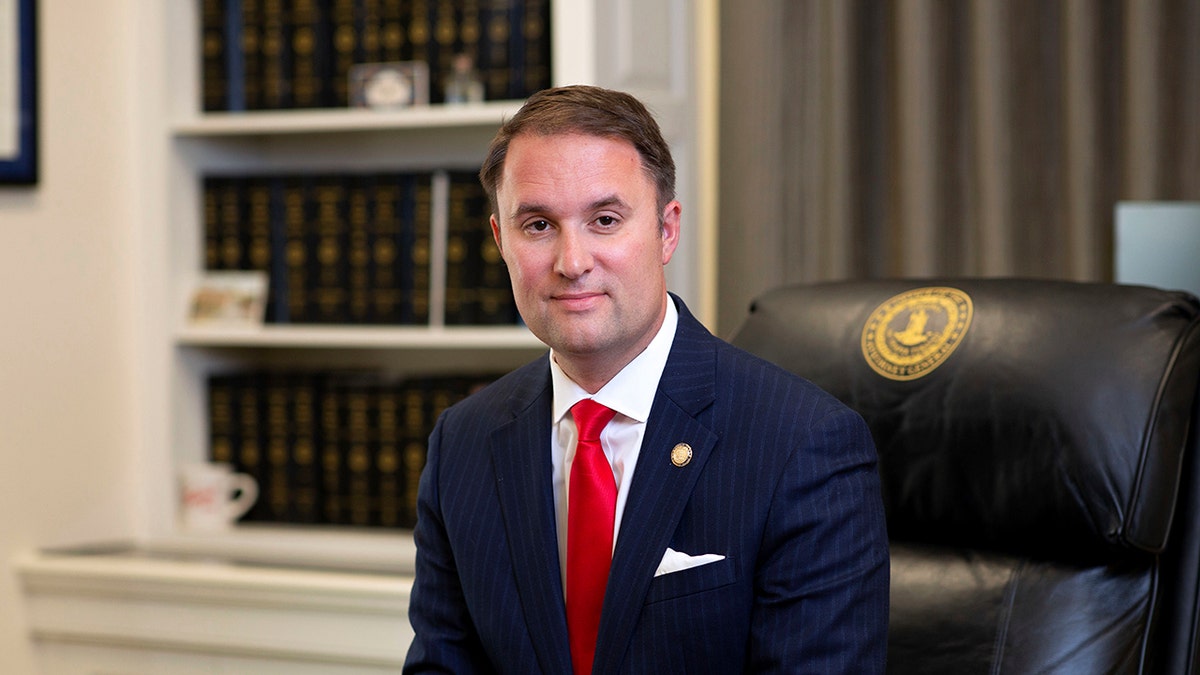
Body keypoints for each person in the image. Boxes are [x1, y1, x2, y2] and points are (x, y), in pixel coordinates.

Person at [403, 85, 889, 674]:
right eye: (537, 226)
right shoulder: (464, 442)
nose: (572, 261)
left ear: (665, 230)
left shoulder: (804, 443)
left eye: (605, 220)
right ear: (500, 241)